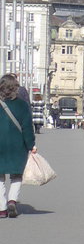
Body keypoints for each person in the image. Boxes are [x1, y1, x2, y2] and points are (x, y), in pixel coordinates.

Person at [0, 72, 37, 218]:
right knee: (16, 175)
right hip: (17, 146)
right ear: (16, 87)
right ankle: (12, 201)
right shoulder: (22, 105)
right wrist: (31, 145)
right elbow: (27, 128)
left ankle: (1, 208)